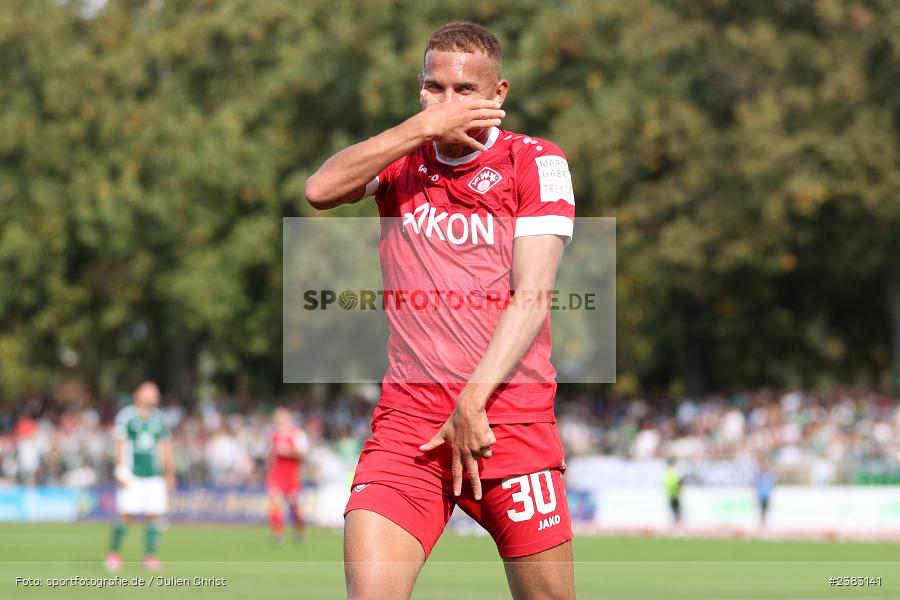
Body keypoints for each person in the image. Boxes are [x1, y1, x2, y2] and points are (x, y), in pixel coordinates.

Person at [306, 21, 576, 600]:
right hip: (410, 429)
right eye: (434, 88)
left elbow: (532, 295)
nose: (447, 103)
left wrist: (472, 400)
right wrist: (422, 127)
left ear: (498, 96)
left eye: (464, 91)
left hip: (508, 424)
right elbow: (320, 189)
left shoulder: (535, 162)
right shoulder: (401, 159)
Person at [104, 381, 175, 572]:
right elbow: (120, 443)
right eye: (151, 392)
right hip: (133, 475)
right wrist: (120, 469)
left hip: (154, 477)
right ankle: (114, 553)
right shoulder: (127, 416)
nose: (155, 395)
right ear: (139, 394)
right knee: (126, 515)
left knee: (154, 516)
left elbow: (165, 446)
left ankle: (150, 556)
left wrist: (169, 473)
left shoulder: (159, 419)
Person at [267, 407, 309, 544]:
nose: (278, 421)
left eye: (281, 418)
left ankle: (299, 530)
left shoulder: (297, 435)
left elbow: (303, 455)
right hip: (276, 475)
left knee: (294, 506)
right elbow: (270, 455)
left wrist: (288, 451)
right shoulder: (273, 436)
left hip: (292, 475)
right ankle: (277, 535)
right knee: (275, 502)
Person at [756, 460, 776, 526]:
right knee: (762, 509)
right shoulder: (760, 476)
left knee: (766, 509)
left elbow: (772, 484)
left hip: (766, 495)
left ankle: (764, 522)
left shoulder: (769, 476)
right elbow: (757, 486)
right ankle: (762, 522)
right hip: (761, 495)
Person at [663, 458, 682, 525]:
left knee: (673, 509)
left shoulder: (667, 472)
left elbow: (666, 483)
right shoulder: (675, 471)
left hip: (671, 493)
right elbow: (679, 482)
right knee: (676, 510)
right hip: (675, 493)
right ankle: (677, 523)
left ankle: (675, 522)